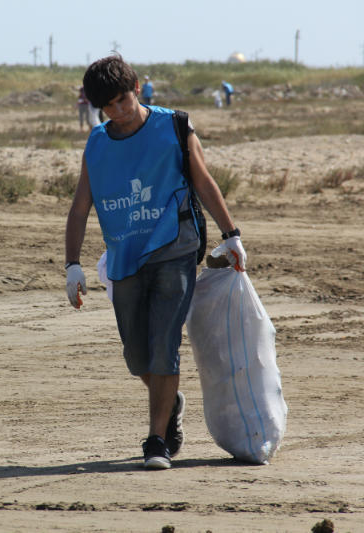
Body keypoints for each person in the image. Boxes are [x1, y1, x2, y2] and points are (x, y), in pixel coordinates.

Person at [64, 55, 246, 470]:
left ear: (139, 87)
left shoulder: (173, 126)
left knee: (165, 344)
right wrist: (72, 264)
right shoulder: (97, 142)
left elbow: (203, 180)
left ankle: (156, 441)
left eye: (123, 99)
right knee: (137, 356)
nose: (118, 111)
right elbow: (79, 209)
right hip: (125, 255)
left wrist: (231, 234)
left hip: (175, 247)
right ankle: (171, 399)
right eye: (107, 106)